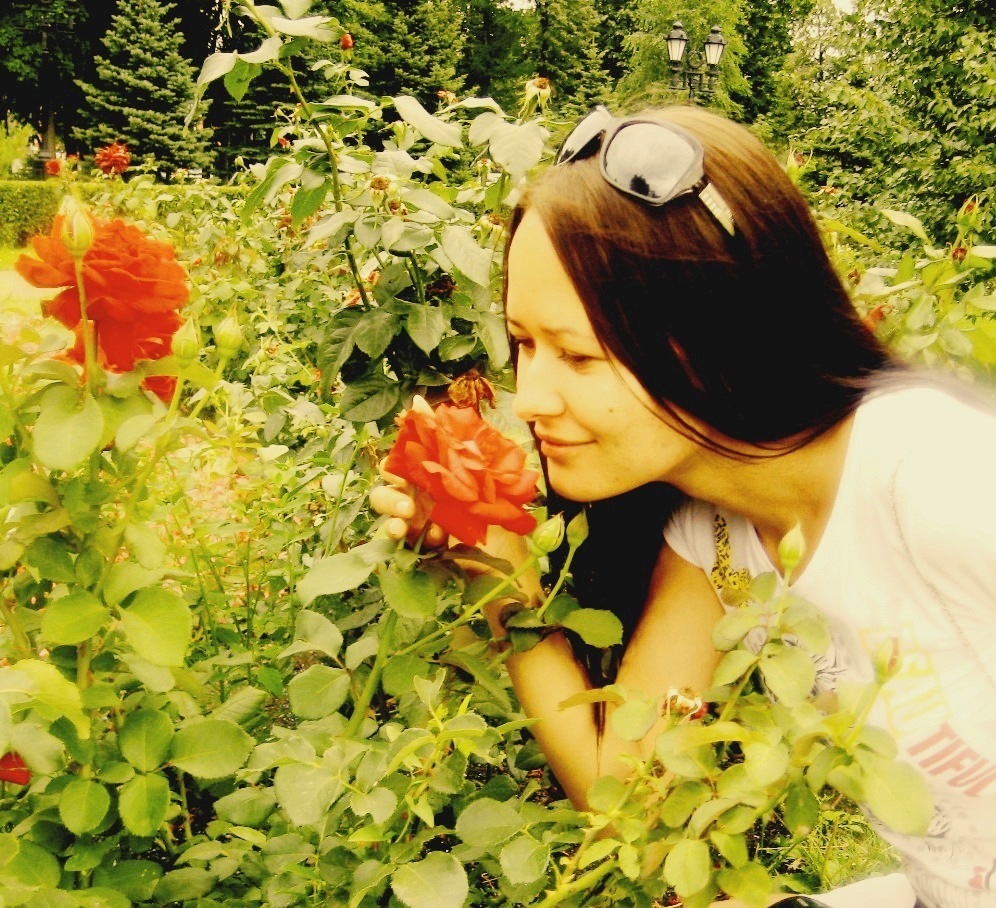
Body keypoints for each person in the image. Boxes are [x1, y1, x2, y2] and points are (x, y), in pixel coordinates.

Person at [369, 104, 996, 908]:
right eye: (524, 344)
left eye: (578, 355)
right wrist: (503, 580)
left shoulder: (938, 477)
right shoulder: (718, 539)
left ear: (719, 333)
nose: (530, 398)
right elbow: (625, 799)